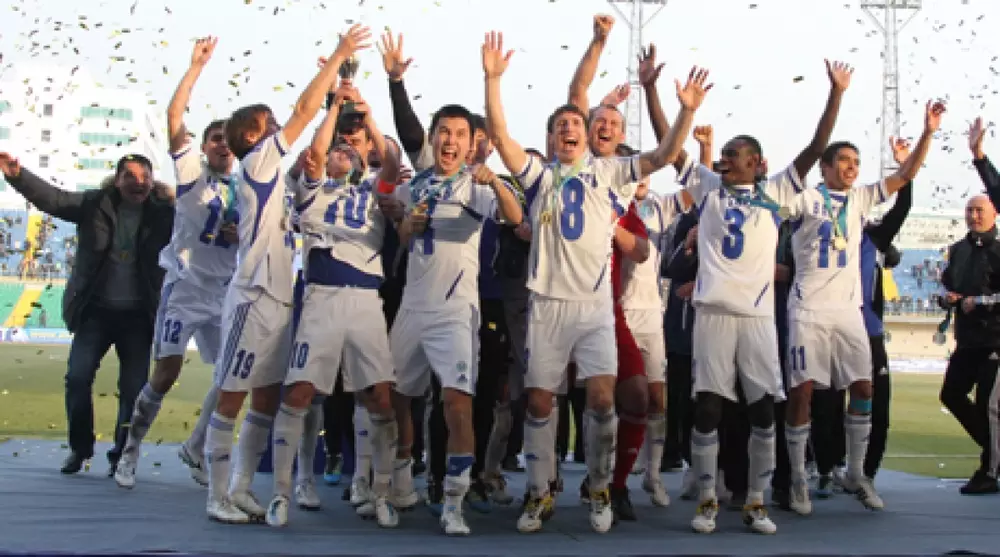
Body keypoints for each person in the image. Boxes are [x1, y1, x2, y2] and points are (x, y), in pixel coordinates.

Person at [482, 25, 708, 533]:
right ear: (552, 138)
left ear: (586, 137)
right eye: (561, 124)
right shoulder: (539, 174)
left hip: (595, 308)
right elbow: (498, 134)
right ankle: (538, 494)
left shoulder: (608, 173)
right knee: (539, 401)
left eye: (575, 124)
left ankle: (602, 487)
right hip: (546, 306)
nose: (569, 129)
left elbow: (663, 156)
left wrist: (687, 113)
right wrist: (493, 80)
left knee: (604, 398)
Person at [202, 25, 372, 524]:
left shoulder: (277, 175)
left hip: (279, 296)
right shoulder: (257, 161)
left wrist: (335, 105)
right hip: (253, 294)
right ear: (253, 137)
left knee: (265, 397)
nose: (279, 126)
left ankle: (240, 488)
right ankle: (216, 495)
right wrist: (339, 54)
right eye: (269, 123)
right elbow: (301, 112)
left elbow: (313, 147)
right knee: (231, 396)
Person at [676, 59, 853, 535]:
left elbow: (816, 147)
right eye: (723, 154)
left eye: (733, 154)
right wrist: (674, 104)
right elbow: (671, 150)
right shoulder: (708, 188)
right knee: (708, 406)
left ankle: (756, 501)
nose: (724, 160)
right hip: (713, 313)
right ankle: (708, 499)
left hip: (756, 318)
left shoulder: (775, 192)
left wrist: (836, 94)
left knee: (760, 409)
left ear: (754, 162)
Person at [782, 99, 943, 517]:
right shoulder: (806, 200)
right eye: (844, 161)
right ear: (826, 168)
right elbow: (776, 211)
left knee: (864, 389)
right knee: (802, 393)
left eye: (856, 162)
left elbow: (905, 176)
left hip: (849, 312)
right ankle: (798, 477)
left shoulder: (861, 200)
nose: (852, 168)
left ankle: (855, 473)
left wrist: (927, 133)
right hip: (808, 311)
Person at [267, 81, 402, 528]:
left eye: (352, 146)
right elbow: (317, 150)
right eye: (336, 148)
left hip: (365, 301)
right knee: (301, 391)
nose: (343, 149)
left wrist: (367, 114)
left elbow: (392, 160)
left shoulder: (376, 189)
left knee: (379, 395)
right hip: (322, 297)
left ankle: (381, 492)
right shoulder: (313, 187)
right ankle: (282, 493)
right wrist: (334, 108)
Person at [0, 151, 174, 476]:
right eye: (130, 176)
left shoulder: (165, 214)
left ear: (152, 182)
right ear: (117, 180)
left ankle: (122, 455)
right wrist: (18, 176)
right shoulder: (94, 204)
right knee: (77, 379)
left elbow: (198, 223)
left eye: (144, 176)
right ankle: (80, 450)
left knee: (134, 389)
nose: (138, 182)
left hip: (138, 318)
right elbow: (53, 199)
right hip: (95, 312)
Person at [114, 36, 238, 490]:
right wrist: (195, 68)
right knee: (165, 374)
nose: (223, 145)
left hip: (225, 292)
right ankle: (130, 450)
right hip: (185, 288)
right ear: (203, 146)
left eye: (229, 140)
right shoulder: (191, 174)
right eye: (215, 139)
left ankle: (195, 446)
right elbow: (173, 118)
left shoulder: (247, 186)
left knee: (232, 377)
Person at [938, 192, 1000, 495]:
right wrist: (947, 298)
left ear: (994, 214)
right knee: (951, 394)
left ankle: (989, 470)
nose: (974, 216)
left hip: (995, 339)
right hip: (967, 339)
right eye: (969, 210)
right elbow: (946, 285)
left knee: (989, 405)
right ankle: (994, 449)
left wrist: (981, 301)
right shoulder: (957, 250)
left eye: (979, 210)